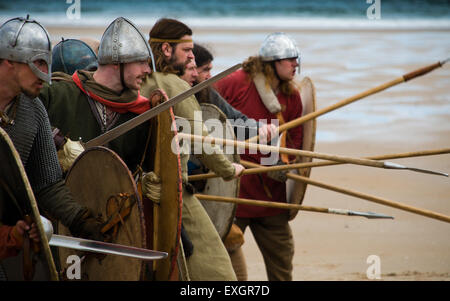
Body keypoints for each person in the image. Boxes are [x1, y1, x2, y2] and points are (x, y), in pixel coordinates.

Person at [140, 18, 245, 281]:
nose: (191, 57)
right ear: (166, 49)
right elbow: (201, 140)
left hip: (140, 191)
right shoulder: (173, 85)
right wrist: (228, 169)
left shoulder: (142, 82)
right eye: (186, 51)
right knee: (219, 273)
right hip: (173, 192)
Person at [0, 17, 103, 261]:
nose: (46, 77)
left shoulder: (33, 110)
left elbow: (47, 183)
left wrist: (79, 220)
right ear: (9, 62)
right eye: (38, 63)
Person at [215, 32, 303, 281]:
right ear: (272, 63)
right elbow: (207, 110)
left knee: (282, 264)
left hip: (270, 199)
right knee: (224, 268)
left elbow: (295, 141)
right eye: (290, 59)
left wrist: (285, 164)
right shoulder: (236, 83)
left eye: (296, 58)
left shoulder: (292, 96)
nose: (295, 63)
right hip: (234, 194)